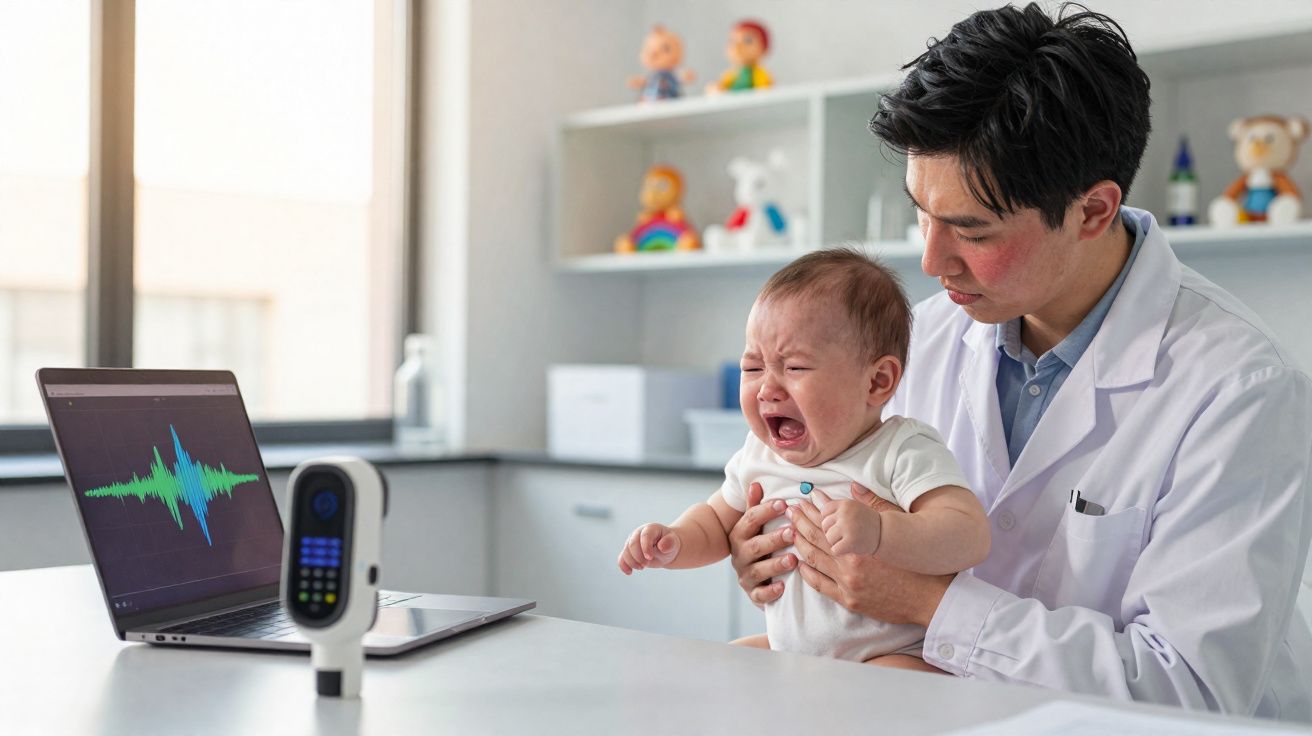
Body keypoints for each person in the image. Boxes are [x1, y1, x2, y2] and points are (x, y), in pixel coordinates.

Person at [726, 3, 1312, 721]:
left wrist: (926, 603)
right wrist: (780, 559)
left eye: (972, 228)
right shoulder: (924, 340)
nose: (931, 259)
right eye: (922, 212)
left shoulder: (1238, 387)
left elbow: (1188, 688)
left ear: (1093, 210)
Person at [618, 250, 991, 670]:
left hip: (893, 654)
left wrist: (883, 530)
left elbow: (969, 534)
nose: (766, 389)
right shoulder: (757, 455)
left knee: (883, 693)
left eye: (794, 367)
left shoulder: (901, 449)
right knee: (718, 670)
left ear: (877, 381)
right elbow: (713, 522)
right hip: (792, 651)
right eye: (753, 367)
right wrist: (674, 541)